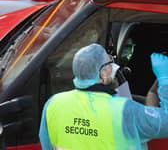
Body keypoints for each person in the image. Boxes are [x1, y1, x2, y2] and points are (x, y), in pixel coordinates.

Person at [39, 43, 168, 150]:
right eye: (110, 62)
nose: (113, 67)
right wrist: (164, 79)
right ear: (103, 72)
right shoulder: (123, 110)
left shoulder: (53, 103)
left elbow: (47, 145)